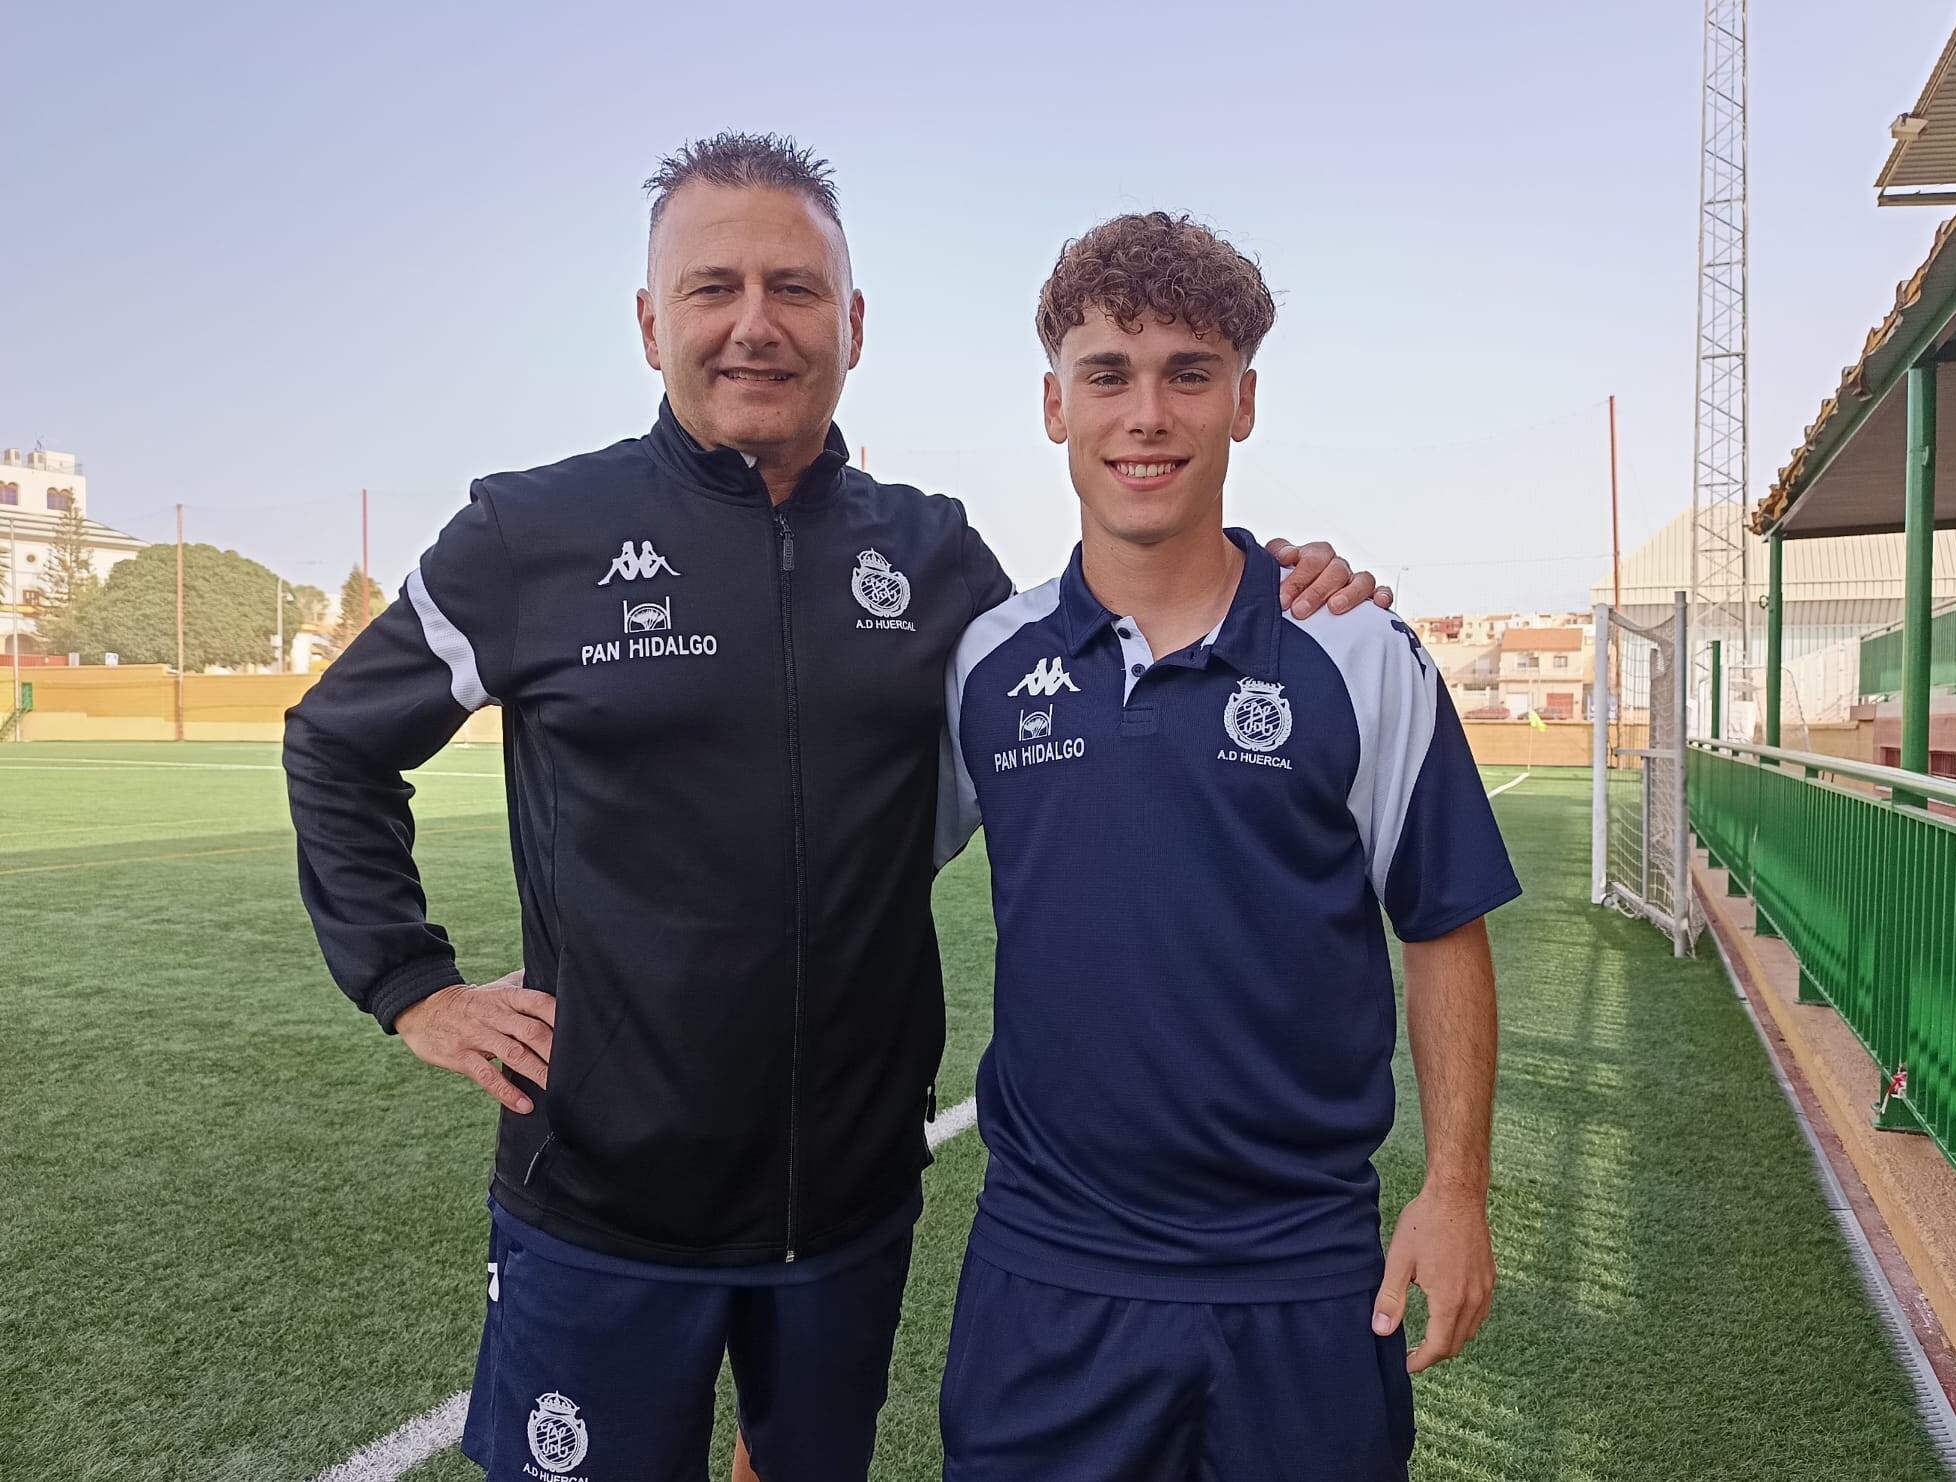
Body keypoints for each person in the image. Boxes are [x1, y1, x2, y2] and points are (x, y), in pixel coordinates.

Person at [283, 135, 1387, 1482]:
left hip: (849, 1212)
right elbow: (337, 744)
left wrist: (1278, 576)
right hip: (601, 1204)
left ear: (853, 325)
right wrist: (412, 983)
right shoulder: (533, 537)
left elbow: (1113, 629)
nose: (756, 323)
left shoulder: (933, 556)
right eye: (714, 288)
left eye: (796, 289)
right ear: (650, 323)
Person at [935, 212, 1521, 1480]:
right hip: (1050, 1269)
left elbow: (1439, 929)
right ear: (1054, 405)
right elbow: (854, 880)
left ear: (1240, 401)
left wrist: (1455, 1190)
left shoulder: (1360, 654)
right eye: (1107, 376)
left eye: (1186, 374)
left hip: (1301, 1278)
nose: (1145, 414)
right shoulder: (985, 664)